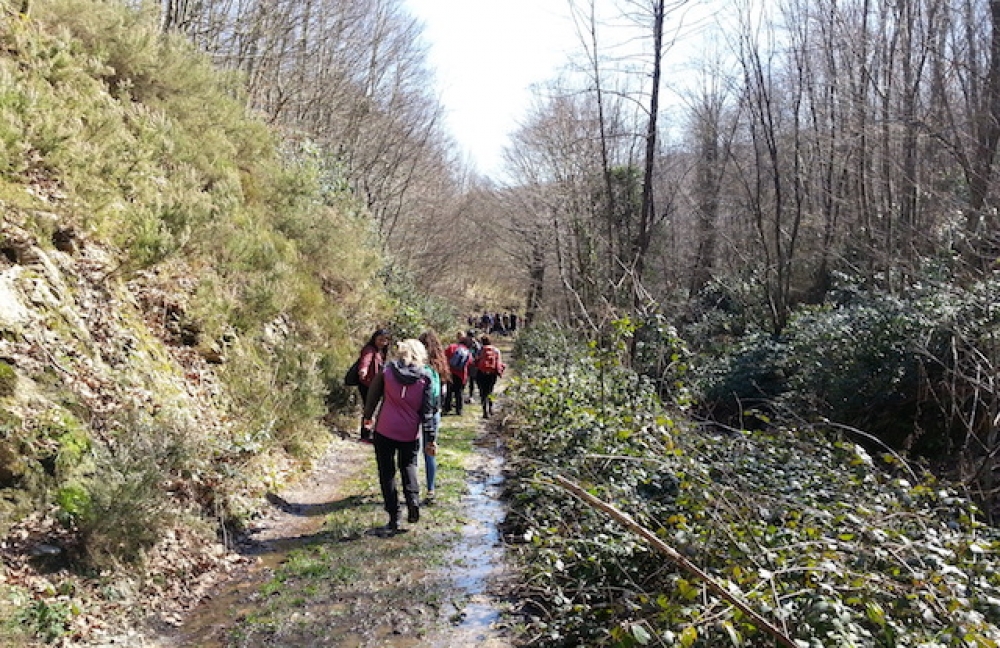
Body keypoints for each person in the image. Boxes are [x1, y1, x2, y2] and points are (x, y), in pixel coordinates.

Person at [362, 339, 437, 534]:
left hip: (385, 429)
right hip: (409, 433)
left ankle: (394, 516)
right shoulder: (425, 377)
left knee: (386, 472)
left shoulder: (387, 372)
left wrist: (367, 417)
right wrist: (431, 439)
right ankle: (412, 503)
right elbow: (427, 412)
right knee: (409, 466)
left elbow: (373, 396)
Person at [418, 331, 450, 503]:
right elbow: (441, 392)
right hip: (434, 413)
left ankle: (413, 489)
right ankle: (430, 490)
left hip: (418, 413)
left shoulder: (420, 368)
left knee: (414, 452)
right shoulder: (439, 367)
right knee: (430, 450)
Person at [355, 328, 390, 442]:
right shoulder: (369, 350)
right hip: (367, 383)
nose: (382, 342)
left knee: (372, 408)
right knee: (369, 408)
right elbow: (366, 360)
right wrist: (363, 370)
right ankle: (366, 434)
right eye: (380, 339)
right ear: (374, 339)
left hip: (375, 384)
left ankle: (368, 432)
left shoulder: (381, 352)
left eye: (385, 340)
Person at [475, 335, 505, 419]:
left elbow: (476, 360)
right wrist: (499, 372)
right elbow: (499, 362)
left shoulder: (480, 350)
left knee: (483, 393)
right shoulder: (496, 350)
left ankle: (485, 411)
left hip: (481, 373)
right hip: (492, 374)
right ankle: (491, 409)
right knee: (490, 391)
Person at [443, 332, 471, 416]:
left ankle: (447, 408)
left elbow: (444, 357)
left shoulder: (451, 347)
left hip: (450, 372)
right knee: (459, 392)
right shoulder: (467, 351)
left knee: (449, 391)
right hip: (461, 374)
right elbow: (469, 362)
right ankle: (459, 410)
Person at [463, 329, 481, 404]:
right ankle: (468, 396)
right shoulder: (474, 344)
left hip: (472, 365)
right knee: (468, 381)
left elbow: (478, 354)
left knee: (472, 382)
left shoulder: (475, 344)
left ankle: (471, 396)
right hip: (469, 365)